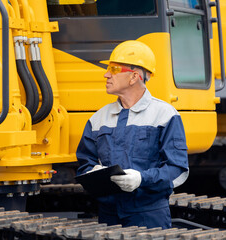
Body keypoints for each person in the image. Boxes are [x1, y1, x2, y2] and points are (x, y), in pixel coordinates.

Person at [76, 40, 189, 229]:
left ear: (133, 77)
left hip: (148, 215)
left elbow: (176, 168)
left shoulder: (165, 115)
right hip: (109, 215)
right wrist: (93, 173)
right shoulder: (98, 118)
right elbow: (84, 163)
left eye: (113, 69)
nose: (106, 74)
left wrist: (142, 179)